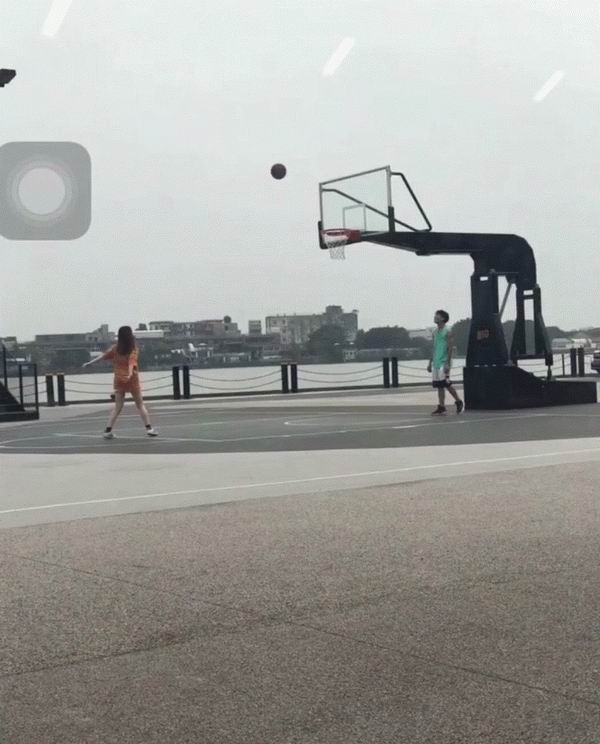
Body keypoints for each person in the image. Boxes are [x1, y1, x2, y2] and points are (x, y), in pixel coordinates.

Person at [83, 326, 158, 439]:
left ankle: (107, 430)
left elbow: (102, 356)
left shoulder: (115, 348)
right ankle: (149, 429)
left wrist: (89, 363)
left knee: (118, 407)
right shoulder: (133, 349)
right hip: (132, 380)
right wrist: (129, 374)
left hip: (119, 380)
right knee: (140, 405)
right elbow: (131, 363)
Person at [427, 310, 464, 415]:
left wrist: (447, 362)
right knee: (439, 385)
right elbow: (434, 347)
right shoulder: (434, 332)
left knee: (446, 383)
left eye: (437, 316)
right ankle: (442, 406)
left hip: (444, 362)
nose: (435, 317)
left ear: (443, 318)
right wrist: (430, 362)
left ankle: (458, 401)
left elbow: (450, 348)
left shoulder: (448, 331)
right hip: (436, 362)